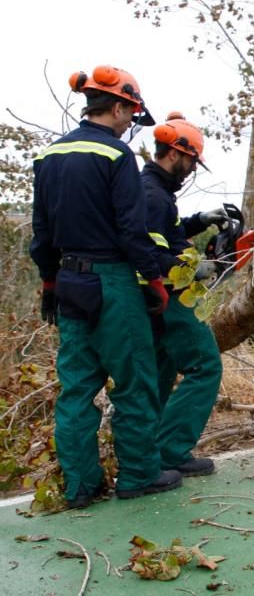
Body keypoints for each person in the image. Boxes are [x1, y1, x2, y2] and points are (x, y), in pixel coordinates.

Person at [30, 65, 181, 508]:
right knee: (133, 380)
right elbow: (132, 230)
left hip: (69, 279)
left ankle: (81, 486)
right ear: (118, 107)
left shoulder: (49, 157)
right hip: (113, 279)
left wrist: (49, 281)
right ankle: (138, 474)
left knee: (76, 386)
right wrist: (153, 280)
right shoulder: (117, 157)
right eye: (130, 116)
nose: (130, 125)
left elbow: (41, 232)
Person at [142, 112, 228, 477]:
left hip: (156, 300)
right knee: (205, 365)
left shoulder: (155, 191)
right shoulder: (152, 196)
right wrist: (195, 268)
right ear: (175, 154)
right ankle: (172, 450)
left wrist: (201, 220)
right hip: (171, 295)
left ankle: (145, 449)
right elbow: (148, 251)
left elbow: (167, 233)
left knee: (161, 371)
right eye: (192, 160)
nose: (193, 168)